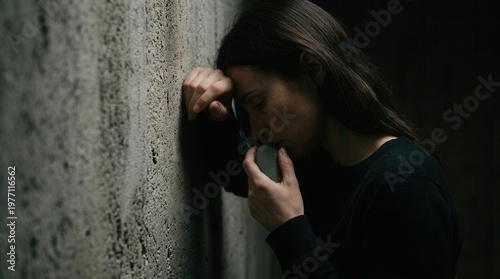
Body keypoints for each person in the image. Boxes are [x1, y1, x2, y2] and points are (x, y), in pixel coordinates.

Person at [182, 0, 463, 278]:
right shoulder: (319, 164)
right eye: (245, 111)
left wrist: (289, 229)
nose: (256, 131)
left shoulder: (407, 183)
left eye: (258, 103)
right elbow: (238, 174)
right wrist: (215, 113)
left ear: (313, 71)